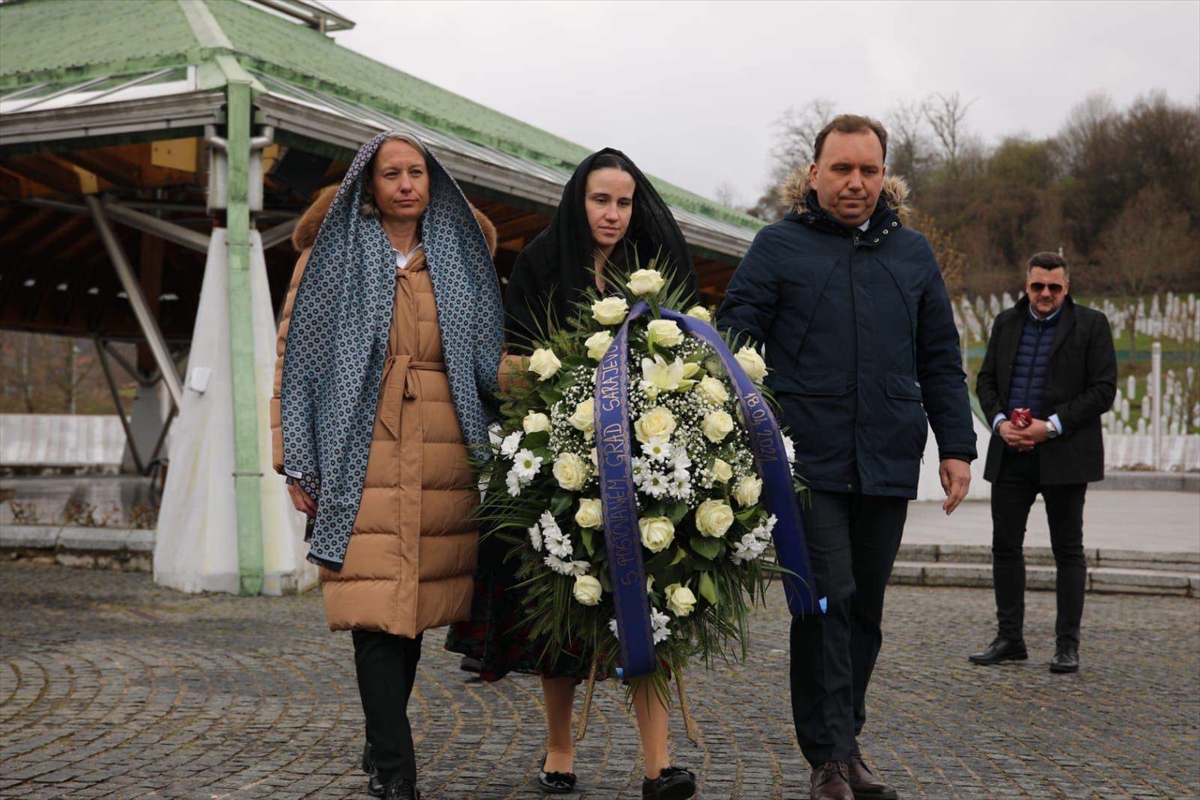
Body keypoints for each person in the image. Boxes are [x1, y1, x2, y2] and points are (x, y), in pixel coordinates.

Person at [717, 115, 977, 800]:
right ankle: (830, 756)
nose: (856, 182)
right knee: (825, 598)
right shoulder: (777, 246)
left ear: (885, 175)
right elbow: (735, 335)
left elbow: (940, 358)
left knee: (864, 609)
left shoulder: (912, 255)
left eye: (868, 169)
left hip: (888, 456)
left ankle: (845, 739)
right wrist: (753, 422)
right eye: (842, 169)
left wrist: (956, 447)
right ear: (814, 174)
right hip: (805, 461)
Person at [446, 148, 700, 800]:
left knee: (649, 608)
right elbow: (508, 360)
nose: (613, 214)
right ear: (578, 201)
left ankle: (659, 765)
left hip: (644, 463)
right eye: (600, 200)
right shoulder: (539, 263)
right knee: (560, 610)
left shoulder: (651, 269)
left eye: (624, 202)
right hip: (556, 460)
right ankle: (559, 748)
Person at [270, 131, 504, 800]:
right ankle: (397, 771)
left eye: (416, 172)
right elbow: (297, 362)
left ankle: (380, 743)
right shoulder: (328, 256)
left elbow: (489, 361)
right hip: (357, 445)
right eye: (392, 173)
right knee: (372, 607)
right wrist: (296, 460)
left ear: (432, 181)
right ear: (368, 186)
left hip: (444, 447)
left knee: (411, 611)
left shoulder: (461, 257)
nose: (406, 183)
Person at [970, 252, 1117, 675]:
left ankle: (1067, 646)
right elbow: (986, 381)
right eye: (1038, 286)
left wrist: (1049, 427)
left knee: (1067, 551)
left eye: (1054, 286)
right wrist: (1000, 423)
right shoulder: (1006, 322)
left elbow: (1103, 389)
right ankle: (1010, 639)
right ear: (1027, 285)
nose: (1045, 293)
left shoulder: (1092, 325)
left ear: (1067, 287)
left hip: (1064, 454)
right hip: (1011, 452)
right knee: (1005, 547)